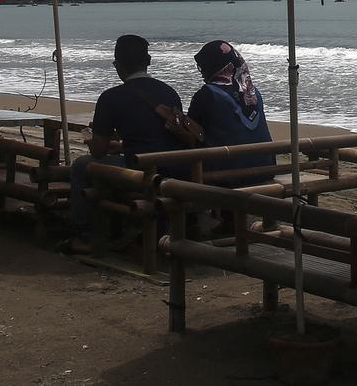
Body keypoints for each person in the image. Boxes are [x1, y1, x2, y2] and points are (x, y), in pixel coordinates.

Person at [64, 35, 185, 254]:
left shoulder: (111, 98)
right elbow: (160, 136)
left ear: (116, 65)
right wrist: (123, 146)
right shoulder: (169, 92)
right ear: (148, 62)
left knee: (81, 166)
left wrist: (92, 141)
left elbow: (99, 151)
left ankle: (86, 236)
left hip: (141, 173)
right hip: (174, 168)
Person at [188, 41, 275, 188]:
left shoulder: (207, 94)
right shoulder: (253, 92)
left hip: (229, 173)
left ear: (212, 66)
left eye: (202, 66)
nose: (201, 71)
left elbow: (191, 130)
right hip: (266, 166)